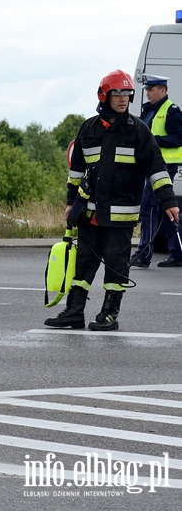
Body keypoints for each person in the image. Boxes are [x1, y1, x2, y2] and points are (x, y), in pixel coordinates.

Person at [45, 69, 180, 331]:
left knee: (116, 268)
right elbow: (76, 172)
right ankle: (74, 311)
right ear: (104, 95)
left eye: (127, 94)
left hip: (120, 216)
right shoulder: (89, 128)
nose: (123, 99)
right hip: (89, 213)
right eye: (117, 93)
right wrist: (71, 203)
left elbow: (156, 168)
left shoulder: (138, 130)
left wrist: (168, 201)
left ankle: (109, 313)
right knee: (83, 264)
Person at [130, 74, 182, 268]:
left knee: (148, 209)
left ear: (163, 90)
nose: (148, 93)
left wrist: (154, 140)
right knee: (163, 211)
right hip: (151, 166)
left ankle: (143, 255)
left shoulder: (172, 111)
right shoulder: (149, 110)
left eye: (151, 89)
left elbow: (178, 139)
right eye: (146, 89)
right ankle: (178, 253)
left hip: (164, 167)